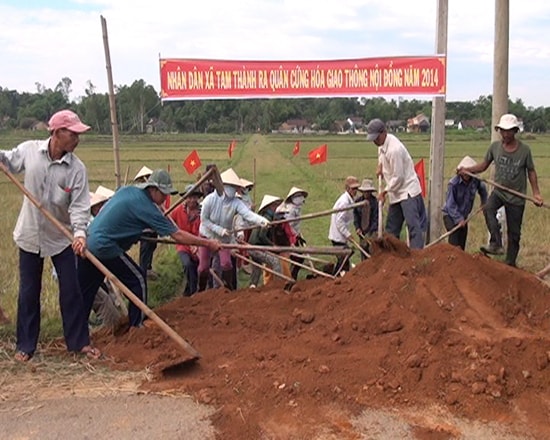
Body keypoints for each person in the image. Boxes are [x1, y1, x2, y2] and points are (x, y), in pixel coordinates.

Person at [0, 109, 99, 361]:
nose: (77, 139)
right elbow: (9, 160)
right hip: (30, 235)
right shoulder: (30, 151)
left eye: (78, 134)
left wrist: (79, 235)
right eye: (73, 134)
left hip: (60, 237)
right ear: (56, 133)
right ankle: (25, 346)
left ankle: (78, 343)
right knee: (29, 292)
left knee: (71, 290)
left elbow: (79, 207)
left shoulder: (77, 169)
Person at [78, 169, 220, 327]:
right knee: (138, 280)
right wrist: (208, 243)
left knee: (87, 290)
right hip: (104, 245)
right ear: (152, 189)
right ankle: (137, 324)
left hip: (87, 242)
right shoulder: (147, 208)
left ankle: (78, 336)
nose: (166, 197)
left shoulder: (127, 190)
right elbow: (178, 235)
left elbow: (120, 214)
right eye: (163, 193)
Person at [458, 114, 543, 266]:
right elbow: (483, 165)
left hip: (516, 197)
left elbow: (531, 171)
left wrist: (536, 193)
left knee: (514, 234)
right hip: (499, 192)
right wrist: (468, 170)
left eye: (508, 131)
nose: (505, 134)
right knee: (488, 208)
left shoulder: (524, 151)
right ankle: (496, 242)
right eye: (502, 131)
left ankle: (510, 263)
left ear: (515, 131)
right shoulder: (495, 147)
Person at [198, 168, 269, 291]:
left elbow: (248, 214)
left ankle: (228, 289)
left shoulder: (236, 202)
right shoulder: (209, 200)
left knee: (227, 264)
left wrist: (262, 221)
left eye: (234, 186)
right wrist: (219, 230)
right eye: (230, 185)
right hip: (207, 235)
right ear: (222, 185)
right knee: (203, 267)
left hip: (224, 238)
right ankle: (201, 289)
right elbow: (204, 221)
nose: (232, 189)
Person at [366, 118, 427, 249]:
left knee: (413, 226)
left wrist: (384, 192)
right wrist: (380, 167)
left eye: (376, 138)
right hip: (395, 193)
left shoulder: (395, 149)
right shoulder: (381, 145)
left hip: (407, 191)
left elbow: (398, 177)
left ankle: (417, 255)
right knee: (391, 229)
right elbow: (382, 158)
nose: (374, 141)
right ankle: (392, 258)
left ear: (384, 133)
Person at [442, 156, 488, 250]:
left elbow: (483, 189)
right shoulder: (453, 184)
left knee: (462, 241)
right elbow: (450, 205)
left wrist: (484, 201)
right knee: (455, 240)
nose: (467, 175)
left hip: (464, 216)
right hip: (450, 215)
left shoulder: (475, 181)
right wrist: (459, 219)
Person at [170, 184, 203, 296]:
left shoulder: (202, 212)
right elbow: (170, 221)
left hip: (198, 244)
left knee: (198, 267)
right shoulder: (178, 210)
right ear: (186, 198)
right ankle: (193, 292)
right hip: (182, 244)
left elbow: (203, 230)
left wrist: (197, 245)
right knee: (187, 264)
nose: (192, 200)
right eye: (190, 197)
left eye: (194, 197)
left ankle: (189, 291)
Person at [247, 195, 284, 288]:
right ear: (269, 207)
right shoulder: (266, 219)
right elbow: (261, 236)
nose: (276, 208)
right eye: (274, 206)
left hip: (252, 246)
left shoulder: (263, 217)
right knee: (275, 262)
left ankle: (252, 286)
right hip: (256, 247)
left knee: (257, 268)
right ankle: (278, 286)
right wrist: (272, 246)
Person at [328, 176, 360, 276]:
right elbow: (339, 221)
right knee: (343, 260)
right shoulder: (344, 202)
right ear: (347, 188)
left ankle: (336, 277)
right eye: (353, 189)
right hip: (338, 236)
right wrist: (348, 234)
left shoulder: (349, 200)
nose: (355, 191)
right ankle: (335, 278)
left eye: (356, 189)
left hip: (340, 235)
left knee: (344, 260)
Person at [134, 166, 159, 280]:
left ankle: (148, 268)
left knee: (152, 246)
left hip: (153, 227)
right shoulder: (140, 194)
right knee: (145, 250)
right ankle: (142, 272)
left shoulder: (152, 193)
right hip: (144, 229)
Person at [353, 178, 379, 259]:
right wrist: (357, 228)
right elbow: (356, 216)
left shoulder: (375, 203)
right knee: (363, 250)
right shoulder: (358, 202)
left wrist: (370, 232)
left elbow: (376, 219)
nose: (366, 193)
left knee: (372, 252)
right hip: (362, 232)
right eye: (365, 191)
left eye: (368, 191)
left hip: (372, 231)